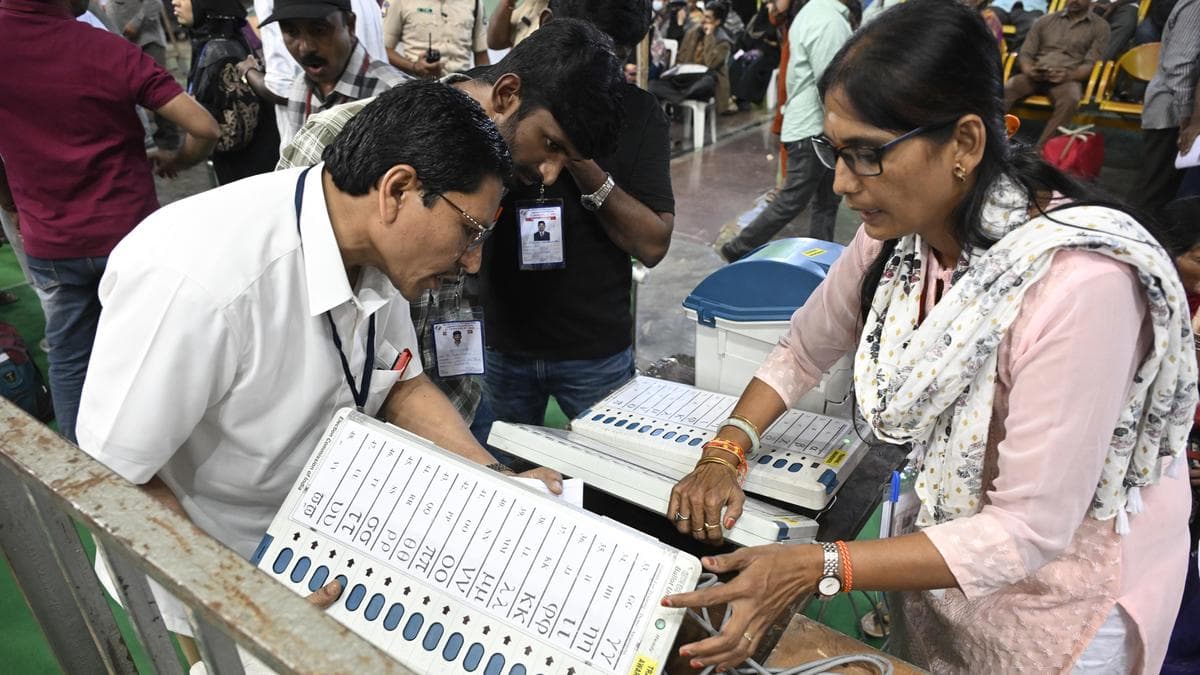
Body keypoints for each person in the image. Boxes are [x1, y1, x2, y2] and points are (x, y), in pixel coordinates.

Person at [662, 2, 1195, 673]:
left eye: (867, 154)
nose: (841, 181)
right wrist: (726, 448)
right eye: (836, 150)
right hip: (951, 552)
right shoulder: (900, 238)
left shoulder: (1079, 287)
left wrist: (815, 565)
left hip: (1065, 602)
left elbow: (1026, 532)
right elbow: (803, 348)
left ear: (966, 144)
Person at [76, 81, 563, 639]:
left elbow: (400, 378)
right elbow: (113, 482)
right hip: (210, 565)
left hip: (315, 540)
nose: (473, 261)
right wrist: (240, 606)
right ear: (398, 190)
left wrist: (498, 478)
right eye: (469, 231)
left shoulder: (371, 244)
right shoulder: (198, 282)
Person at [277, 18, 625, 428]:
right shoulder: (337, 137)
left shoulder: (508, 163)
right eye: (551, 145)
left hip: (454, 399)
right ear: (508, 94)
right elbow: (285, 304)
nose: (550, 174)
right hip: (352, 421)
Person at [0, 0, 219, 443]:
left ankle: (83, 459)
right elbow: (205, 128)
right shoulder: (105, 48)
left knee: (69, 357)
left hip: (51, 243)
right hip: (130, 238)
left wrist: (13, 206)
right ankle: (157, 451)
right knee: (152, 349)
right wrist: (179, 159)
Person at [478, 0, 674, 439]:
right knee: (502, 479)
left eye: (616, 59)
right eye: (589, 52)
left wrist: (575, 152)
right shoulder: (499, 103)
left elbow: (653, 245)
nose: (602, 74)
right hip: (499, 343)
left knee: (612, 484)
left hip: (595, 349)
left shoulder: (637, 114)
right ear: (549, 27)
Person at [718, 0, 854, 261]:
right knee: (793, 199)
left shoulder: (813, 14)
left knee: (826, 201)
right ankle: (738, 248)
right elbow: (831, 84)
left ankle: (819, 259)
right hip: (813, 128)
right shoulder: (829, 20)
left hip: (815, 125)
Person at [244, 0, 387, 145]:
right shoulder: (300, 88)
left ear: (350, 25)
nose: (305, 48)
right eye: (291, 32)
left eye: (319, 30)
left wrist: (247, 71)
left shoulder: (391, 94)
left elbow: (279, 88)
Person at [173, 0, 282, 183]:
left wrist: (178, 161)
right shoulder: (227, 38)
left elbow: (207, 136)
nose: (174, 2)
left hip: (249, 177)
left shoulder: (219, 52)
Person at [1003, 0, 1109, 149]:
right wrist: (1029, 70)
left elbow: (1091, 64)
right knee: (1008, 88)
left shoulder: (1100, 27)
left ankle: (1041, 153)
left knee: (1071, 99)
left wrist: (1069, 76)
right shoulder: (1045, 21)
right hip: (1037, 73)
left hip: (1068, 77)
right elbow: (1026, 54)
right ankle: (991, 138)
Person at [1129, 0, 1199, 215]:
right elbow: (1179, 64)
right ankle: (1124, 242)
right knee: (1152, 194)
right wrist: (1187, 116)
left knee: (1169, 195)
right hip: (1173, 112)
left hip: (1183, 112)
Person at [106, 0, 180, 149]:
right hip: (124, 42)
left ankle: (169, 135)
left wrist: (136, 22)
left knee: (160, 91)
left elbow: (154, 3)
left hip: (148, 41)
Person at [649, 0, 735, 114]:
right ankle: (681, 96)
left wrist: (709, 37)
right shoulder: (693, 33)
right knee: (653, 86)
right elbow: (681, 58)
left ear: (717, 21)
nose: (703, 20)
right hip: (687, 79)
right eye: (703, 16)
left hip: (703, 80)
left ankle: (677, 98)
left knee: (707, 82)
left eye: (708, 18)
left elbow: (710, 64)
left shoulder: (723, 42)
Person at [382, 0, 489, 79]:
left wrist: (486, 85)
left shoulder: (474, 2)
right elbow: (385, 49)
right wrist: (414, 67)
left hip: (462, 87)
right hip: (418, 87)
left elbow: (481, 55)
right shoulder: (399, 2)